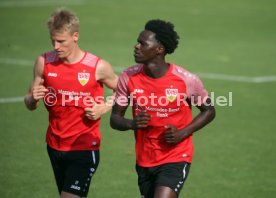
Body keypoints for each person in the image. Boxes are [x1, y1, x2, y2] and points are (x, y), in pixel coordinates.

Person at [110, 19, 216, 198]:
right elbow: (115, 119)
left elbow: (209, 110)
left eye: (142, 43)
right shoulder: (128, 77)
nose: (136, 46)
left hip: (176, 155)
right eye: (137, 42)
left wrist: (183, 132)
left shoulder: (186, 80)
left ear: (159, 49)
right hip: (145, 157)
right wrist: (132, 123)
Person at [24, 8, 118, 198]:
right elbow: (29, 103)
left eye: (61, 41)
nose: (56, 46)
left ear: (75, 36)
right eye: (53, 41)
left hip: (84, 147)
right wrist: (33, 98)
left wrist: (105, 107)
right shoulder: (44, 62)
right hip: (54, 145)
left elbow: (125, 91)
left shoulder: (97, 66)